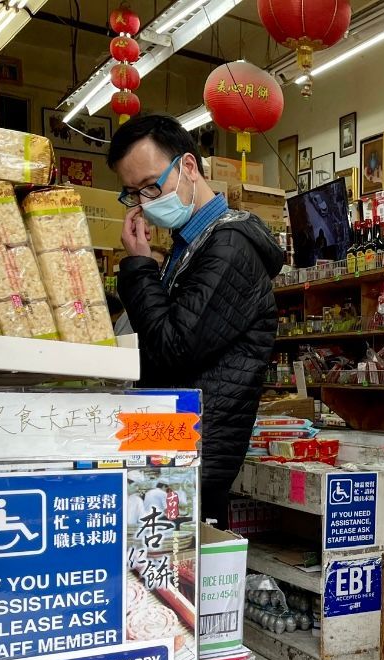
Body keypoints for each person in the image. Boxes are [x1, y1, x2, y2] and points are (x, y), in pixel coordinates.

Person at [107, 114, 284, 528]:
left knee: (171, 583)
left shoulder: (230, 246)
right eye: (133, 194)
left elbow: (172, 347)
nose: (146, 203)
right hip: (174, 447)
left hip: (193, 456)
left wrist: (138, 266)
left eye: (151, 186)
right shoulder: (193, 246)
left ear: (188, 167)